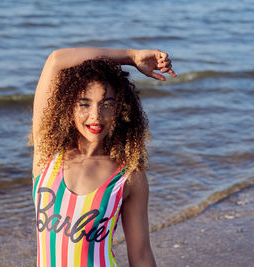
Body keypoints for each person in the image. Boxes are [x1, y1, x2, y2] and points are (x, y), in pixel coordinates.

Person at [31, 47, 176, 267]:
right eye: (84, 103)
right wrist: (131, 57)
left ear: (120, 109)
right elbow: (56, 60)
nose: (95, 116)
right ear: (68, 106)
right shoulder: (47, 155)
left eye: (107, 104)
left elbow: (141, 255)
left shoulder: (127, 177)